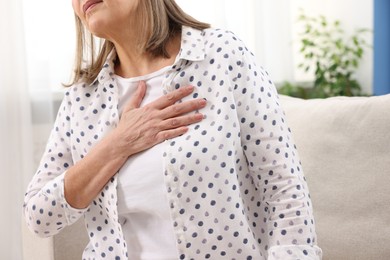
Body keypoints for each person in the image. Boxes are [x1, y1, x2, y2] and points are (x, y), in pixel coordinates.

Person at [23, 0, 322, 259]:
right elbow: (38, 217)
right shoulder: (82, 98)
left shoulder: (221, 56)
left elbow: (284, 189)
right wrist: (117, 144)